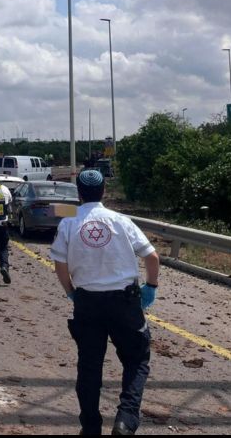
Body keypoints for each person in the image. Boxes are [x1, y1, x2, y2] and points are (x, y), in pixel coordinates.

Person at [50, 170, 160, 436]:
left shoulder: (69, 222)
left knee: (89, 367)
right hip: (124, 302)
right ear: (104, 192)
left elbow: (60, 264)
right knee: (136, 361)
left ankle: (90, 427)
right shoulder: (120, 220)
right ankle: (126, 418)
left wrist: (71, 293)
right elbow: (152, 258)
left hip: (87, 303)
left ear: (78, 194)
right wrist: (151, 287)